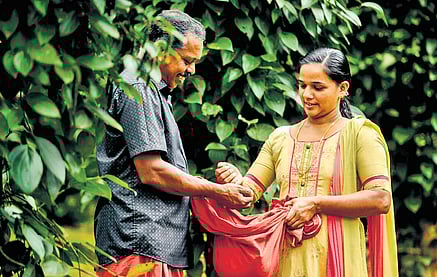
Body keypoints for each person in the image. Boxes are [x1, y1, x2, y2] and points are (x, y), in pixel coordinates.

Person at [94, 10, 253, 277]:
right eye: (186, 61)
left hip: (152, 243)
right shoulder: (139, 88)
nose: (191, 70)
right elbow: (151, 170)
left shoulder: (154, 91)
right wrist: (216, 191)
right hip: (138, 242)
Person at [213, 47, 398, 276]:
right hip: (284, 258)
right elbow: (248, 193)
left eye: (318, 87)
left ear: (343, 88)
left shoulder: (360, 134)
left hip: (339, 260)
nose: (307, 95)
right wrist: (233, 181)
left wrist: (316, 203)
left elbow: (380, 199)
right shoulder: (280, 138)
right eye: (302, 85)